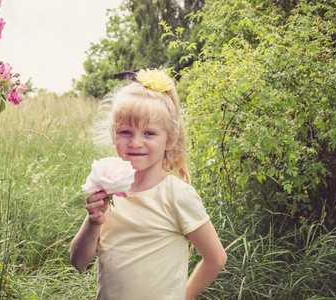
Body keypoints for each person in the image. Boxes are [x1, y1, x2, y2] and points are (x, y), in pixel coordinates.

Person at [70, 68, 227, 300]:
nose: (135, 142)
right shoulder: (108, 188)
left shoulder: (176, 194)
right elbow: (79, 262)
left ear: (170, 139)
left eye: (149, 133)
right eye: (125, 132)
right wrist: (94, 222)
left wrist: (186, 295)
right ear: (113, 135)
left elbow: (216, 258)